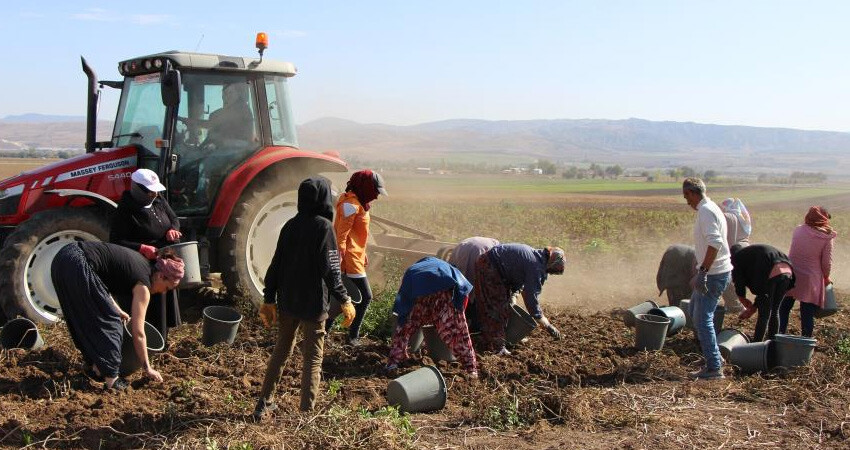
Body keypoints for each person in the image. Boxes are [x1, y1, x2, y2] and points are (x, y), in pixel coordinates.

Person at [254, 177, 355, 418]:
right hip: (313, 304)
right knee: (313, 358)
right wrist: (344, 299)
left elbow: (275, 265)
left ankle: (263, 402)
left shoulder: (290, 225)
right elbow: (331, 270)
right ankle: (306, 414)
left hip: (288, 301)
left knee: (281, 350)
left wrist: (269, 298)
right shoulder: (324, 227)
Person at [51, 241, 184, 390]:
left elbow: (100, 281)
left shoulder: (142, 266)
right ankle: (112, 380)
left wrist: (117, 309)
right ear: (161, 276)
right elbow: (139, 333)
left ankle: (96, 367)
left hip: (63, 258)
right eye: (167, 288)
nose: (164, 292)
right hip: (77, 262)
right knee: (112, 323)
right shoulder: (143, 286)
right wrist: (147, 367)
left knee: (86, 317)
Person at [110, 168, 183, 340]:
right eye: (150, 191)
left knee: (165, 299)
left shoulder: (159, 199)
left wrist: (173, 230)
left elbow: (174, 219)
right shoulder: (125, 210)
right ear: (137, 189)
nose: (154, 194)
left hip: (163, 261)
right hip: (143, 266)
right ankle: (149, 338)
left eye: (156, 191)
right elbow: (116, 241)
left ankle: (164, 337)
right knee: (151, 305)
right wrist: (141, 248)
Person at [325, 169, 388, 346]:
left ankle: (325, 332)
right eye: (375, 191)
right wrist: (339, 256)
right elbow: (341, 234)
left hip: (356, 256)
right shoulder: (350, 204)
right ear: (365, 187)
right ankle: (352, 336)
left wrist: (363, 252)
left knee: (340, 296)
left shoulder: (358, 202)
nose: (376, 196)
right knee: (365, 297)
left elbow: (356, 234)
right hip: (349, 259)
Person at [387, 257, 478, 377]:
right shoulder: (452, 271)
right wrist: (457, 317)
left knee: (406, 325)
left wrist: (404, 315)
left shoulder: (413, 269)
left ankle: (393, 362)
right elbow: (463, 296)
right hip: (443, 290)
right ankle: (471, 369)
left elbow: (404, 299)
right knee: (458, 332)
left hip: (418, 289)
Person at [682, 177, 732, 381]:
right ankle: (715, 357)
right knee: (695, 311)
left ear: (693, 193)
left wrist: (702, 272)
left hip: (713, 274)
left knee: (703, 320)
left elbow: (715, 242)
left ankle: (714, 368)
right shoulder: (711, 207)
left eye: (686, 196)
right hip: (714, 272)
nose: (687, 201)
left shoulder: (706, 211)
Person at [474, 243, 565, 354]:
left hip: (493, 265)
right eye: (552, 271)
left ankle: (503, 337)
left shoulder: (537, 257)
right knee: (497, 307)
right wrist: (546, 324)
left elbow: (520, 280)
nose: (550, 274)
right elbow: (531, 298)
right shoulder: (536, 266)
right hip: (490, 266)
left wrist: (513, 296)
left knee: (504, 305)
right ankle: (496, 347)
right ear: (551, 264)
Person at [779, 206, 837, 338]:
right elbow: (826, 263)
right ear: (824, 219)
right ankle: (805, 340)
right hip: (810, 278)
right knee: (807, 311)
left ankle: (778, 334)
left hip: (791, 273)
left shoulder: (798, 230)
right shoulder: (827, 237)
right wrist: (826, 277)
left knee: (784, 307)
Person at [729, 244, 794, 342]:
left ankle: (756, 344)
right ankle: (773, 344)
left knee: (764, 314)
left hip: (773, 270)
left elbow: (739, 281)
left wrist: (742, 297)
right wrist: (753, 307)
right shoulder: (753, 256)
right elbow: (762, 292)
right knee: (775, 310)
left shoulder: (737, 259)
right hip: (787, 271)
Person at [448, 236, 500, 331]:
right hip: (476, 253)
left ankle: (453, 317)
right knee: (472, 288)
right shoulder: (497, 249)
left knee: (456, 281)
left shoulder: (493, 244)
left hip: (461, 247)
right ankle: (468, 321)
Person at [204, 82, 255, 147]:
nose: (226, 97)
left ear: (238, 94)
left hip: (242, 150)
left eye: (230, 93)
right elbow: (210, 138)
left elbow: (210, 123)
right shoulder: (216, 114)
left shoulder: (242, 109)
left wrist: (195, 122)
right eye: (224, 93)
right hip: (223, 150)